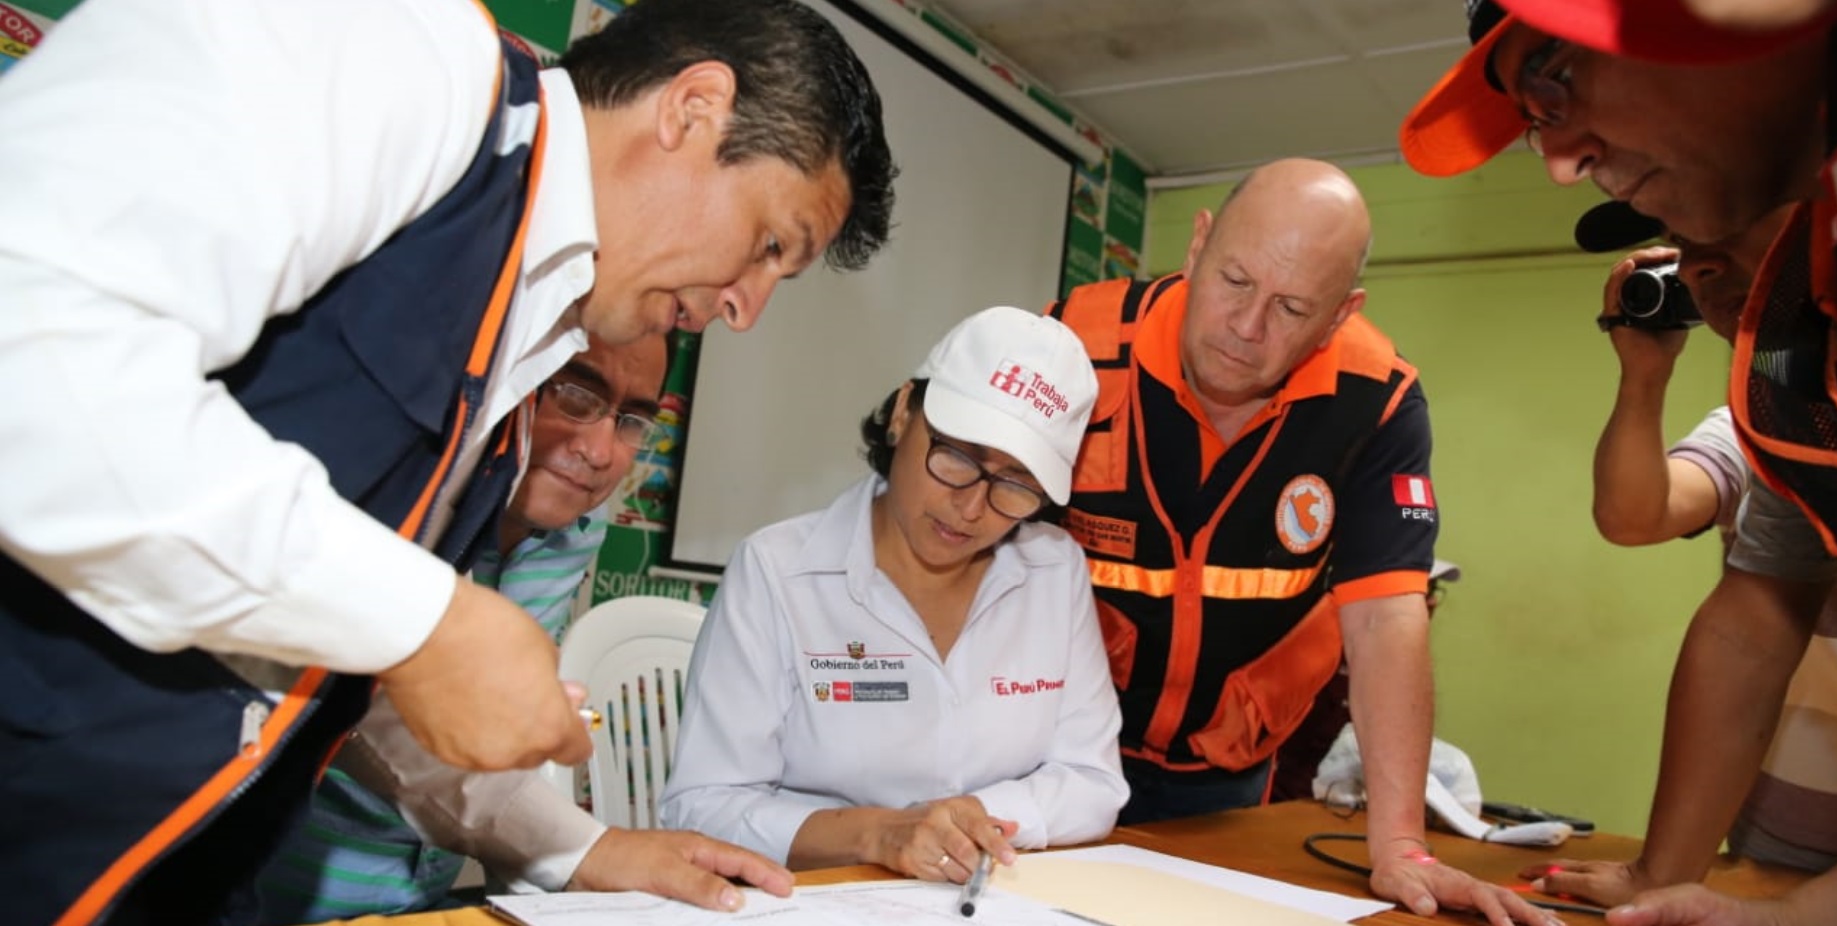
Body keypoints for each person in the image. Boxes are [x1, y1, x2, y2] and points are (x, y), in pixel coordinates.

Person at [0, 0, 896, 920]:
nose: (746, 309)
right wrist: (429, 622)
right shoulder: (396, 53)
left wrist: (584, 848)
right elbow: (34, 355)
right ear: (692, 108)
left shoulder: (523, 348)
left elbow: (328, 652)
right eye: (769, 245)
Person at [1400, 5, 1837, 922]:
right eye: (1537, 124)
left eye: (1553, 80)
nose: (1559, 162)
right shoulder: (1793, 386)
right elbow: (1747, 620)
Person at [1044, 157, 1547, 925]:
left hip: (1223, 769)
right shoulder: (1073, 343)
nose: (1246, 329)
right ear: (1197, 246)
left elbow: (1385, 618)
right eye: (1234, 281)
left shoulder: (1375, 402)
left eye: (1290, 308)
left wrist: (1401, 846)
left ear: (1339, 314)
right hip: (1054, 746)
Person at [660, 306, 1129, 881]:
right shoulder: (778, 572)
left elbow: (1094, 781)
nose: (972, 507)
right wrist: (879, 834)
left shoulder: (1054, 570)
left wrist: (967, 821)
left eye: (1016, 483)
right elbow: (702, 805)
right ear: (904, 412)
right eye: (958, 457)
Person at [254, 334, 679, 922]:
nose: (600, 451)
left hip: (430, 897)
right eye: (577, 397)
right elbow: (350, 704)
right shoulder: (404, 494)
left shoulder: (580, 529)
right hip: (277, 893)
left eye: (632, 421)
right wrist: (583, 849)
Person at [1271, 560, 1463, 803]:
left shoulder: (1403, 664)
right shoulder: (1317, 649)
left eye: (1433, 590)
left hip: (1349, 810)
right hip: (1286, 805)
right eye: (1420, 592)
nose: (1431, 602)